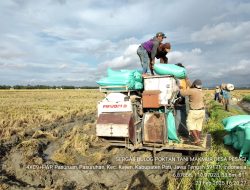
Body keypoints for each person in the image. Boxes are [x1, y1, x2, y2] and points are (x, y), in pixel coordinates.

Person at [180, 79, 205, 145]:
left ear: (194, 85)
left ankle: (196, 139)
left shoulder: (192, 91)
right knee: (198, 126)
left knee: (190, 124)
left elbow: (182, 93)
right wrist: (187, 79)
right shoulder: (200, 90)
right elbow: (192, 86)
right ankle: (198, 138)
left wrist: (180, 88)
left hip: (194, 111)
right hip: (202, 111)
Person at [174, 63, 191, 138]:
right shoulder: (174, 78)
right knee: (177, 116)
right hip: (177, 100)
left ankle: (185, 132)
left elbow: (190, 86)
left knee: (186, 116)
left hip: (185, 99)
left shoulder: (185, 79)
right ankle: (179, 132)